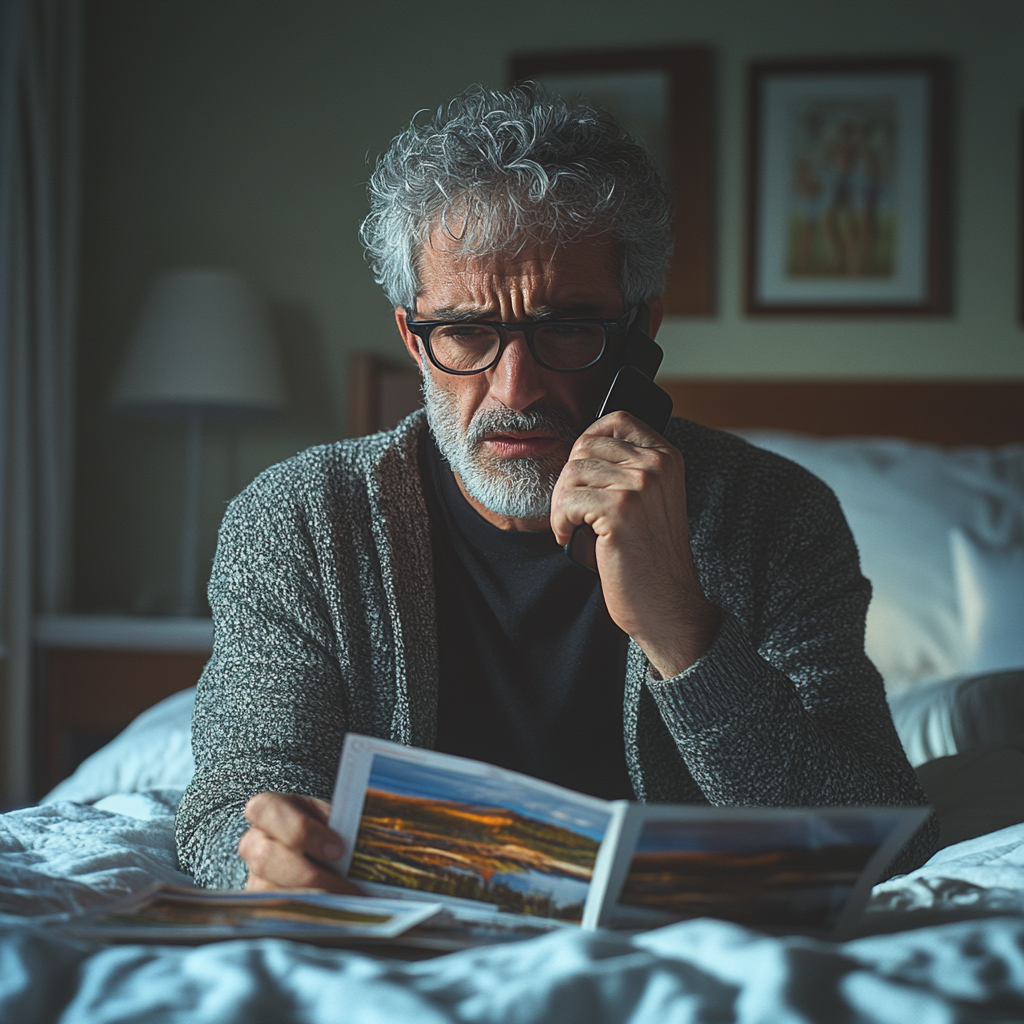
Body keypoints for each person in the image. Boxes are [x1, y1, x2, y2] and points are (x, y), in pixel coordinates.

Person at [175, 86, 935, 892]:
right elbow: (232, 803)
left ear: (641, 333)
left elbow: (879, 838)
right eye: (466, 330)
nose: (515, 388)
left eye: (565, 328)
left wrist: (683, 628)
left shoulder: (775, 515)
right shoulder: (298, 522)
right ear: (412, 338)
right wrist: (266, 856)